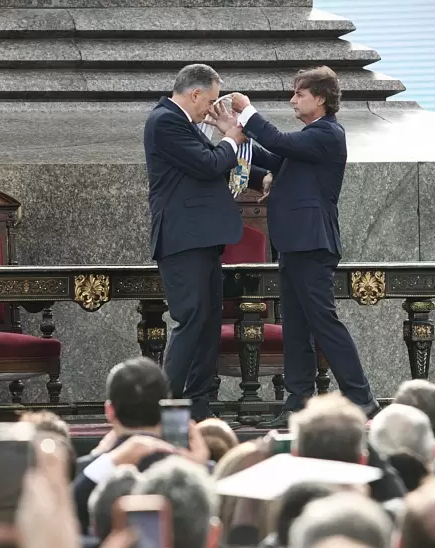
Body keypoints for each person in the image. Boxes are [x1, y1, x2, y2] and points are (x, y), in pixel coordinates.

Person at [209, 66, 379, 428]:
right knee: (297, 328)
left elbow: (279, 143)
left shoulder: (328, 134)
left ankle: (361, 397)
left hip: (312, 244)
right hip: (293, 245)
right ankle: (298, 403)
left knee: (323, 322)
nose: (292, 100)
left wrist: (247, 110)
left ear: (320, 98)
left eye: (299, 94)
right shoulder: (309, 139)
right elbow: (271, 159)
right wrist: (232, 136)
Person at [143, 64, 265, 422]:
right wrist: (231, 137)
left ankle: (196, 405)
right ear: (194, 93)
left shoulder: (183, 123)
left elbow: (217, 164)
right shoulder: (165, 121)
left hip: (203, 238)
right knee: (191, 319)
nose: (211, 109)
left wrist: (262, 173)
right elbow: (209, 164)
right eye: (210, 100)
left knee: (208, 321)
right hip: (183, 239)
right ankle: (165, 406)